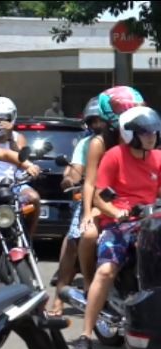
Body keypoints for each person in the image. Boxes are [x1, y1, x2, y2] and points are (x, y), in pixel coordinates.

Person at [72, 106, 161, 349]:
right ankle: (85, 334)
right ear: (130, 133)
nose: (151, 137)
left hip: (151, 222)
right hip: (121, 222)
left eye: (154, 132)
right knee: (106, 270)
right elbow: (99, 197)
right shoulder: (114, 156)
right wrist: (116, 211)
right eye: (144, 133)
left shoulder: (158, 158)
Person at [76, 86, 144, 297]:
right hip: (104, 200)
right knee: (88, 235)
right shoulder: (99, 143)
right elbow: (90, 182)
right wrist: (87, 213)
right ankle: (88, 283)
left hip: (138, 203)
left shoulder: (146, 137)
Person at [49, 97, 107, 317]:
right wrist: (69, 178)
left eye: (101, 120)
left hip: (122, 199)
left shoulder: (124, 141)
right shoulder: (86, 143)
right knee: (74, 238)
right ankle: (60, 296)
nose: (97, 126)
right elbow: (75, 172)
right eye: (93, 121)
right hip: (91, 198)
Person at [0, 96, 43, 235]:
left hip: (14, 185)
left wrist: (9, 136)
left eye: (2, 120)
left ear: (11, 118)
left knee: (34, 198)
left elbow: (20, 158)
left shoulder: (18, 137)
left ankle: (28, 239)